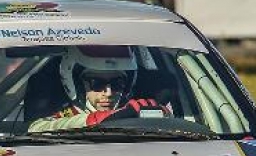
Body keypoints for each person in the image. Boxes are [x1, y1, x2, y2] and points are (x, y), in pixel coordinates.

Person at [28, 46, 167, 132]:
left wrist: (161, 114)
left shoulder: (135, 112)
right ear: (75, 83)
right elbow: (35, 129)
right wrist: (100, 119)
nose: (108, 92)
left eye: (117, 83)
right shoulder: (66, 117)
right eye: (97, 83)